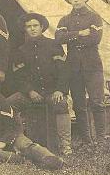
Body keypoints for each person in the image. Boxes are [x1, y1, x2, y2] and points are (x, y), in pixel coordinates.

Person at [9, 13, 72, 155]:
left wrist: (60, 90)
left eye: (35, 25)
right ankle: (19, 140)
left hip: (52, 92)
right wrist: (30, 91)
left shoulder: (54, 45)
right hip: (31, 94)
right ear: (25, 29)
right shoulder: (20, 51)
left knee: (61, 103)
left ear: (42, 27)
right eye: (29, 26)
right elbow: (19, 77)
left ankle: (65, 145)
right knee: (9, 104)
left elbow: (64, 71)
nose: (32, 29)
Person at [55, 0, 106, 144]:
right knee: (79, 104)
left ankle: (101, 138)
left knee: (97, 101)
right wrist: (79, 33)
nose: (76, 0)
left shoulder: (95, 17)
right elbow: (58, 38)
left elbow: (95, 38)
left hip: (93, 66)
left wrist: (71, 36)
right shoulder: (64, 19)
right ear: (69, 0)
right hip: (73, 67)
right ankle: (87, 140)